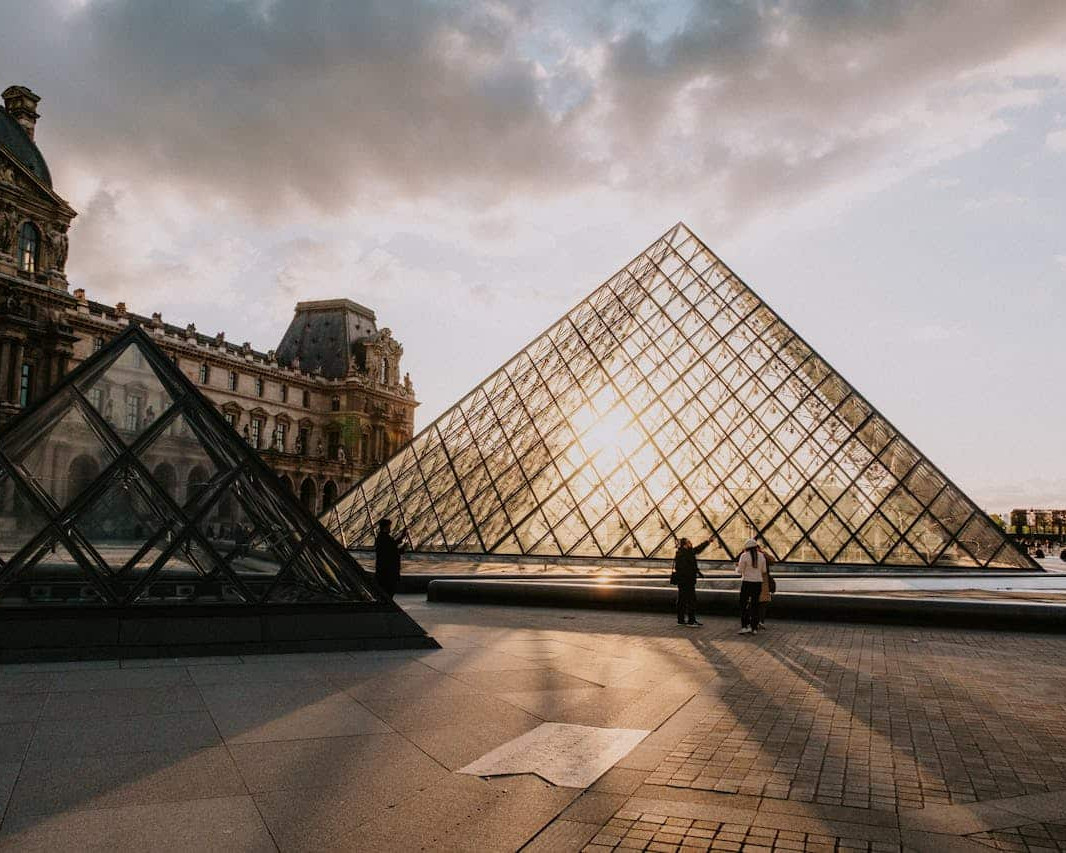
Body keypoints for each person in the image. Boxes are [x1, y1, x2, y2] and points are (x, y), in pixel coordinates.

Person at [674, 537, 709, 627]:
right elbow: (686, 567)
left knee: (682, 600)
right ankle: (691, 621)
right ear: (685, 544)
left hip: (683, 580)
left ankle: (681, 620)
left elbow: (698, 549)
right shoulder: (686, 553)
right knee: (691, 600)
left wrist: (707, 541)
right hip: (687, 581)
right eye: (689, 542)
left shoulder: (681, 553)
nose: (691, 543)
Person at [736, 538, 766, 635]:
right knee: (755, 605)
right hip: (758, 583)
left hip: (747, 582)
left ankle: (745, 626)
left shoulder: (744, 556)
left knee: (743, 604)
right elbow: (764, 570)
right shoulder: (761, 556)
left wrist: (736, 567)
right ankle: (754, 628)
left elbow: (739, 570)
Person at [374, 518, 407, 601]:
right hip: (388, 572)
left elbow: (392, 546)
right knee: (389, 592)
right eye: (389, 527)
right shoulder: (386, 538)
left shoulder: (381, 537)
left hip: (383, 571)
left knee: (385, 593)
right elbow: (393, 551)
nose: (390, 529)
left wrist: (402, 537)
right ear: (385, 527)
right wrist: (403, 548)